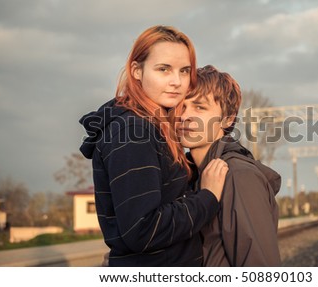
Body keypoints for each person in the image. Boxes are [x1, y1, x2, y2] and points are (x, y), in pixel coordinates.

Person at [79, 26, 228, 267]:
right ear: (137, 71)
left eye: (184, 71)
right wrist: (207, 197)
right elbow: (143, 229)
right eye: (163, 69)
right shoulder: (132, 132)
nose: (177, 82)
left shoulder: (152, 127)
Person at [178, 65, 282, 266]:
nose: (185, 116)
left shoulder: (238, 176)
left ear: (227, 119)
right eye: (181, 107)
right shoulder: (191, 178)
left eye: (200, 107)